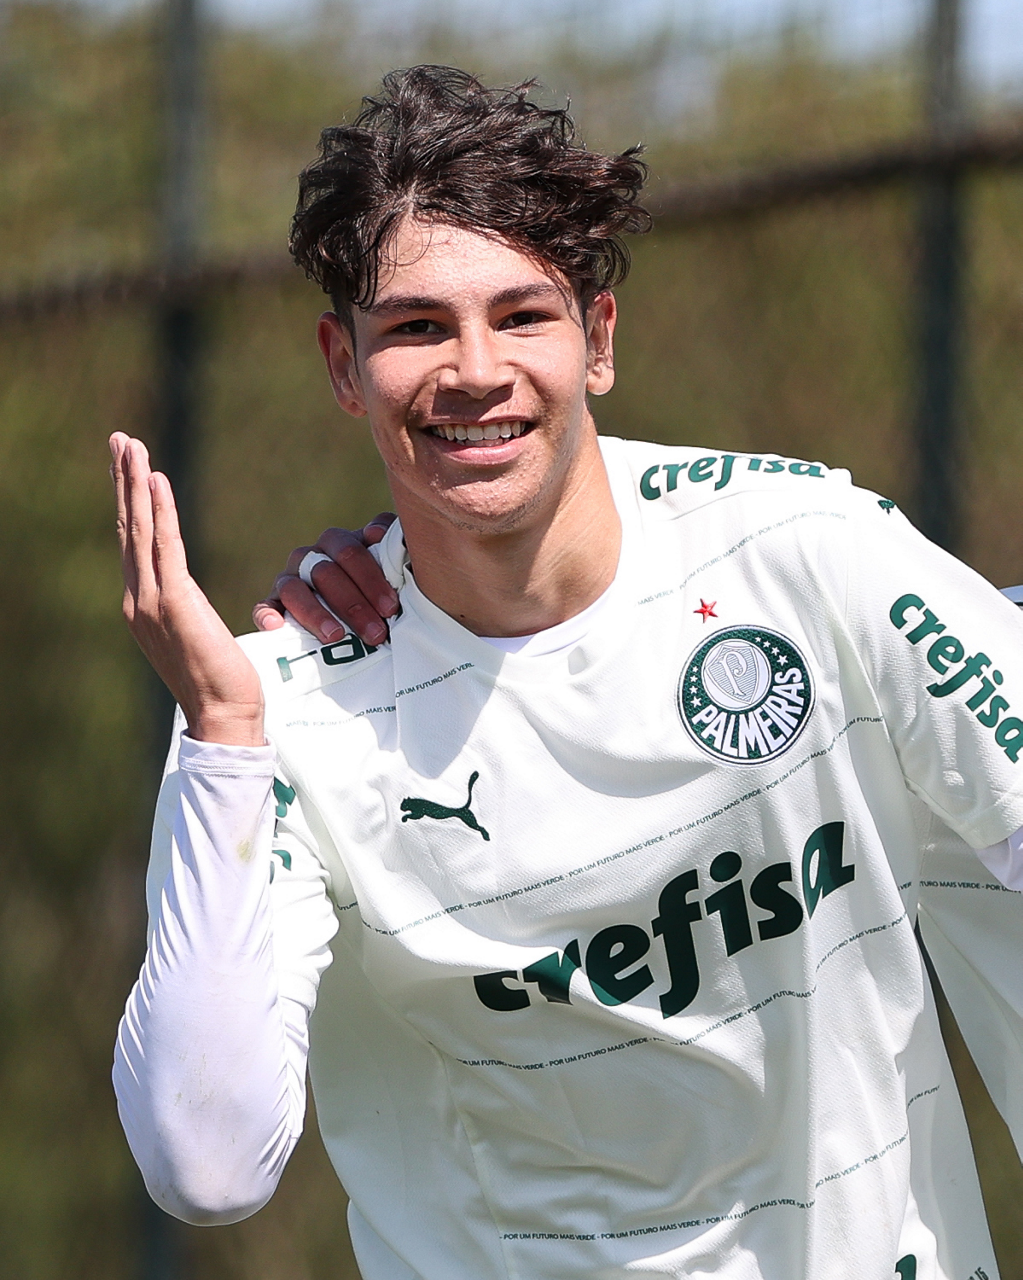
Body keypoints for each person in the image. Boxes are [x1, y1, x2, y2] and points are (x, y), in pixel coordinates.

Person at [111, 65, 1023, 1280]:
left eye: (522, 315)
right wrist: (225, 729)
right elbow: (206, 1161)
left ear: (598, 338)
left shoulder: (808, 552)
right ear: (343, 365)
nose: (474, 369)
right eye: (417, 326)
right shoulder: (286, 710)